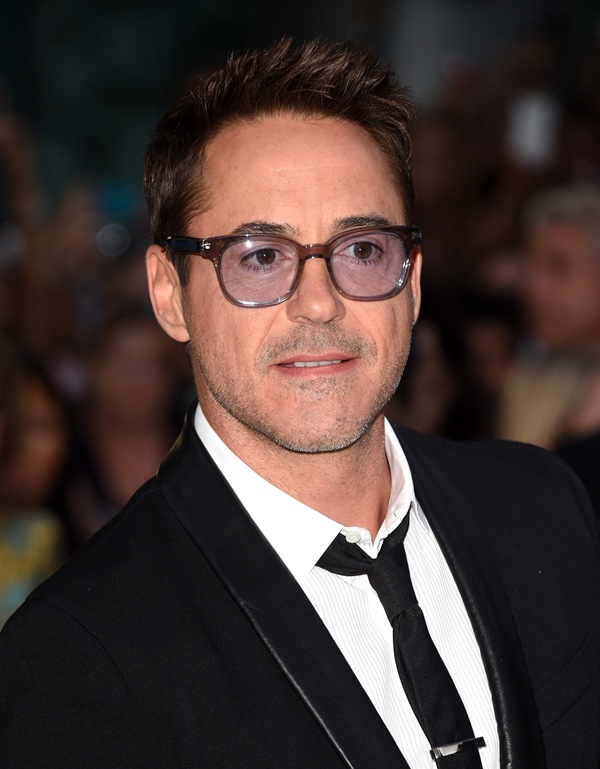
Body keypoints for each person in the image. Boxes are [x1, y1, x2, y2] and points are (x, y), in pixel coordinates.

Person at [1, 38, 599, 769]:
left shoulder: (544, 512)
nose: (319, 302)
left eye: (362, 249)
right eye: (260, 257)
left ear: (412, 281)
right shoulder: (79, 660)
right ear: (169, 294)